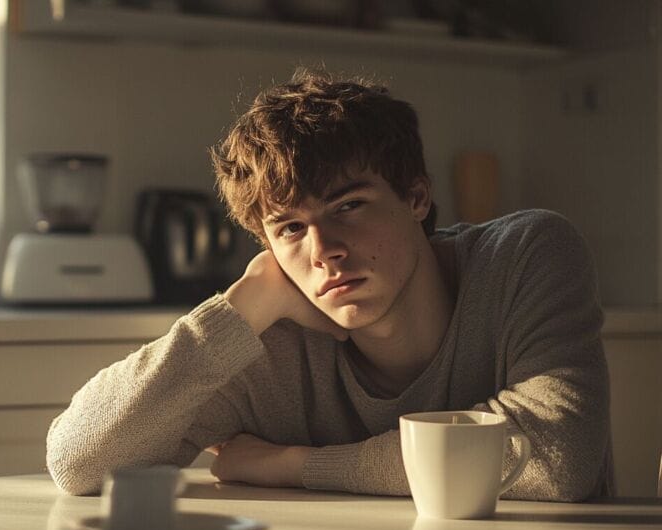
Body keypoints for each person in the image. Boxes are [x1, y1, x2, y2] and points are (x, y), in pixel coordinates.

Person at [46, 68, 612, 501]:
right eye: (290, 228)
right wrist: (239, 307)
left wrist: (292, 465)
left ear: (416, 197)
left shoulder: (525, 256)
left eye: (349, 206)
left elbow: (558, 457)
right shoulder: (269, 341)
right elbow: (79, 461)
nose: (323, 251)